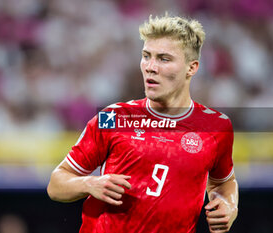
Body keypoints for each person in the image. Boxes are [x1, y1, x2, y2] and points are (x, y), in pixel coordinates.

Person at [47, 13, 238, 233]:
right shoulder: (113, 118)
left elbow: (224, 181)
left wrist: (229, 205)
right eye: (146, 56)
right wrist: (88, 184)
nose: (150, 67)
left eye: (164, 59)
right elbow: (56, 184)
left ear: (191, 67)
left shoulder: (216, 127)